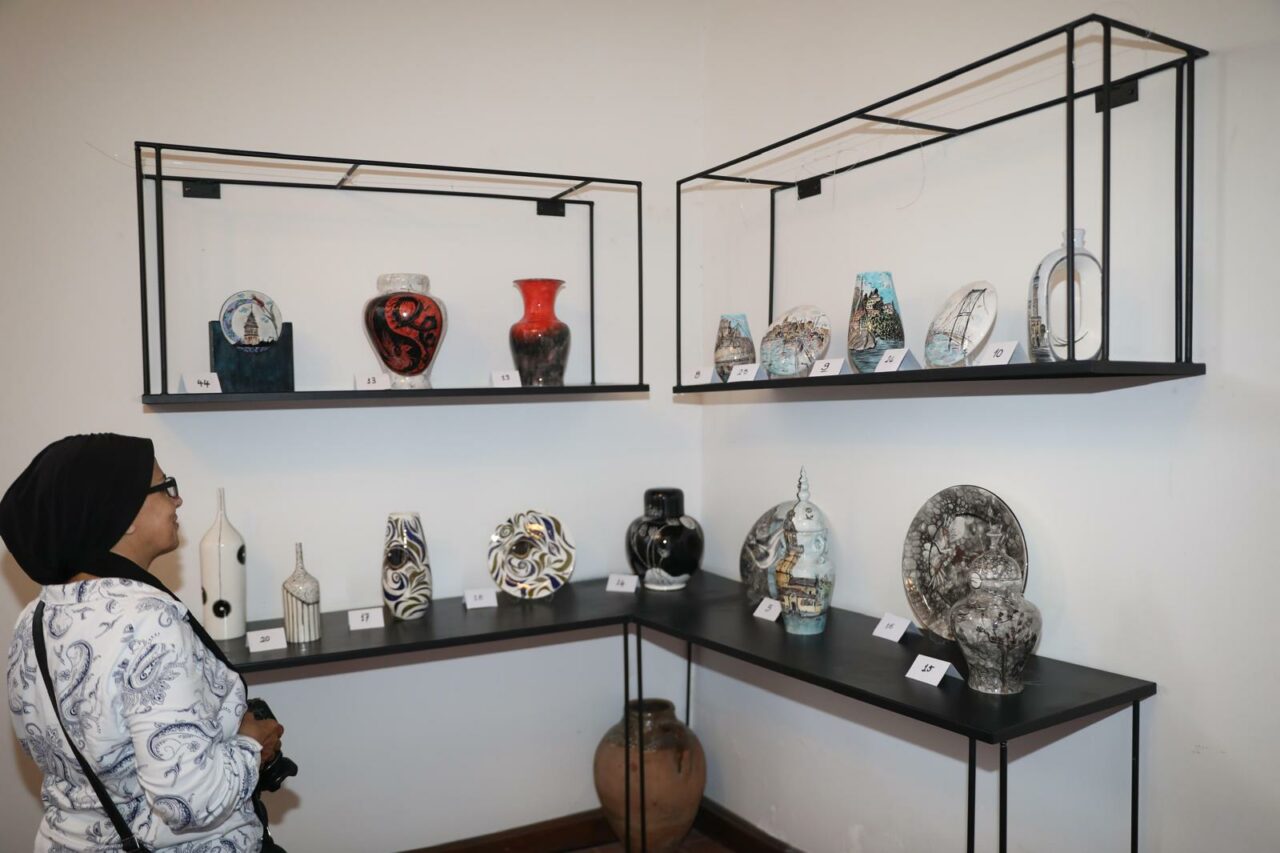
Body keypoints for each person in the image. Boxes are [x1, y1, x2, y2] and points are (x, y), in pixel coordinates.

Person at [2, 434, 285, 852]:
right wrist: (251, 744)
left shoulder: (35, 617)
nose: (177, 500)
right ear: (124, 513)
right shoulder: (149, 621)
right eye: (165, 487)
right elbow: (190, 800)